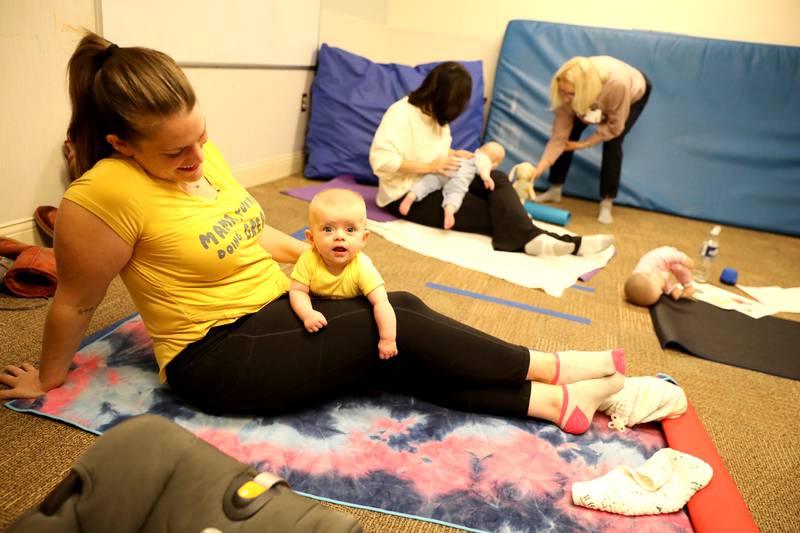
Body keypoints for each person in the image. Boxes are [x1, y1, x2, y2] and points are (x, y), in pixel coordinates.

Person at [0, 32, 627, 436]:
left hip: (273, 306)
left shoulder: (202, 154)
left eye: (200, 138)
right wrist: (48, 379)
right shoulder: (101, 195)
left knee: (392, 316)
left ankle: (545, 405)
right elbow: (76, 302)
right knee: (396, 325)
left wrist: (323, 260)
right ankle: (557, 369)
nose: (197, 158)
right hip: (213, 357)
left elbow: (250, 230)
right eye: (176, 154)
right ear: (120, 144)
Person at [369, 61, 614, 257]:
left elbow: (430, 151)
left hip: (441, 175)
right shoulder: (401, 113)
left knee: (495, 178)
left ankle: (540, 241)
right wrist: (431, 165)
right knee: (494, 212)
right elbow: (381, 161)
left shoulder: (437, 117)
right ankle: (568, 243)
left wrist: (452, 155)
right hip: (408, 193)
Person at [531, 56, 652, 225]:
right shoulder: (567, 89)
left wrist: (582, 145)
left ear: (583, 90)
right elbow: (559, 138)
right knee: (569, 133)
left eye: (570, 94)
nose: (565, 99)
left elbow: (614, 128)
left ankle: (606, 202)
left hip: (631, 91)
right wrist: (537, 172)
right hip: (594, 93)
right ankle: (555, 188)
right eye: (562, 92)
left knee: (614, 141)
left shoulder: (617, 85)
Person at [290, 188, 397, 359]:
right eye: (327, 229)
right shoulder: (308, 259)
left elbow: (382, 302)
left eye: (350, 229)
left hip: (352, 312)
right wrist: (307, 314)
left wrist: (387, 339)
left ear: (364, 239)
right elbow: (297, 291)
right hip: (318, 314)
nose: (339, 236)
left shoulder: (362, 265)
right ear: (311, 238)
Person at [397, 144, 496, 230]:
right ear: (494, 164)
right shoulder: (483, 159)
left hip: (449, 166)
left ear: (478, 150)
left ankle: (411, 195)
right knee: (455, 193)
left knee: (428, 182)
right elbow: (483, 166)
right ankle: (449, 210)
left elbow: (452, 153)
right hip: (460, 177)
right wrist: (486, 177)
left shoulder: (467, 154)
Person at [624, 246, 695, 306]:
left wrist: (684, 259)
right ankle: (685, 286)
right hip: (660, 271)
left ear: (649, 274)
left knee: (680, 269)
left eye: (660, 289)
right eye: (661, 290)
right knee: (664, 278)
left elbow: (670, 256)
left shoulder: (660, 259)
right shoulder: (649, 279)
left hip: (669, 254)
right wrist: (672, 290)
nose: (662, 291)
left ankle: (688, 285)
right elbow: (663, 282)